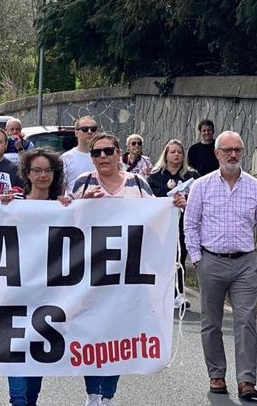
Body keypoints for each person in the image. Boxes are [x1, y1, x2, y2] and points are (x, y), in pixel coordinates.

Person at [70, 133, 164, 406]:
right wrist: (81, 203)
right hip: (90, 273)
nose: (102, 157)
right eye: (96, 153)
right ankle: (92, 393)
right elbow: (63, 223)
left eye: (107, 151)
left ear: (118, 153)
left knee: (118, 334)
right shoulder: (82, 182)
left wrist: (174, 207)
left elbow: (156, 219)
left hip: (128, 274)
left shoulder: (138, 184)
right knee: (91, 333)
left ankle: (107, 395)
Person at [184, 131, 257, 400]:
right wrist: (197, 260)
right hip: (211, 261)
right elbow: (190, 225)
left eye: (237, 150)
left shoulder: (255, 187)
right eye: (227, 150)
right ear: (217, 154)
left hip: (245, 263)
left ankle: (246, 380)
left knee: (246, 321)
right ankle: (216, 374)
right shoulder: (201, 186)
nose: (233, 155)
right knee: (211, 322)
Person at [0, 148, 70, 406]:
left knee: (36, 356)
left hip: (46, 296)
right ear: (27, 174)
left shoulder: (63, 205)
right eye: (37, 170)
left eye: (47, 170)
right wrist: (1, 208)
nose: (42, 175)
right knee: (15, 351)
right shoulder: (12, 203)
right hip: (14, 293)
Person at [147, 139, 199, 309]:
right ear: (166, 155)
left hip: (183, 224)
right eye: (173, 152)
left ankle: (179, 294)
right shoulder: (155, 176)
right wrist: (167, 191)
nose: (176, 155)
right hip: (161, 225)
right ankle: (160, 292)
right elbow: (150, 197)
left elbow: (199, 198)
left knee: (180, 257)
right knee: (162, 259)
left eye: (179, 152)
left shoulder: (192, 176)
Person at [61, 116, 99, 192]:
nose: (89, 132)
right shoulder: (66, 158)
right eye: (85, 129)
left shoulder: (104, 155)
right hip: (76, 203)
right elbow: (61, 189)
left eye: (93, 129)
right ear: (76, 133)